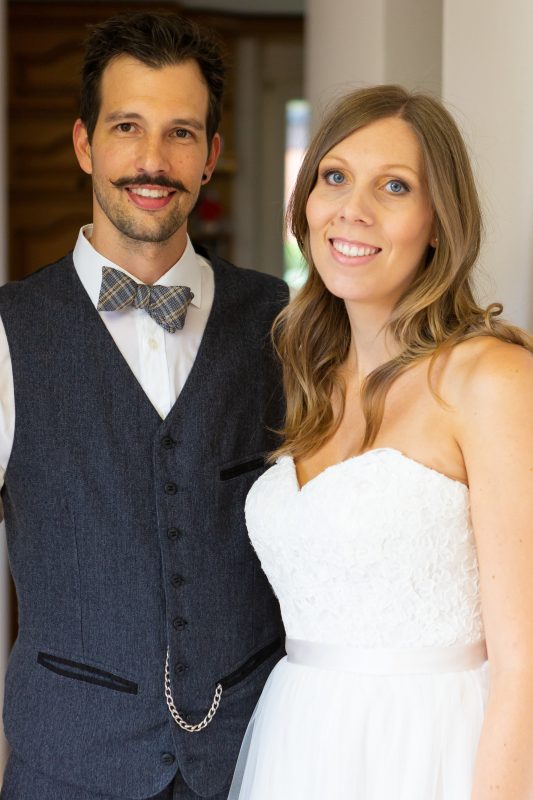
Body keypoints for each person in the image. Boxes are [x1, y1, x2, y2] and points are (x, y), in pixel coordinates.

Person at [0, 12, 287, 800]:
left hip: (250, 757)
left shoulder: (281, 321)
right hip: (65, 766)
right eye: (127, 127)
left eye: (180, 133)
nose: (153, 160)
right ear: (84, 144)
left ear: (211, 155)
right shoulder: (9, 329)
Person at [228, 84, 533, 800]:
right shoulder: (306, 378)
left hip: (429, 751)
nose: (352, 209)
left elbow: (526, 666)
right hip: (299, 746)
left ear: (439, 223)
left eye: (394, 186)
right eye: (334, 177)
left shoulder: (490, 380)